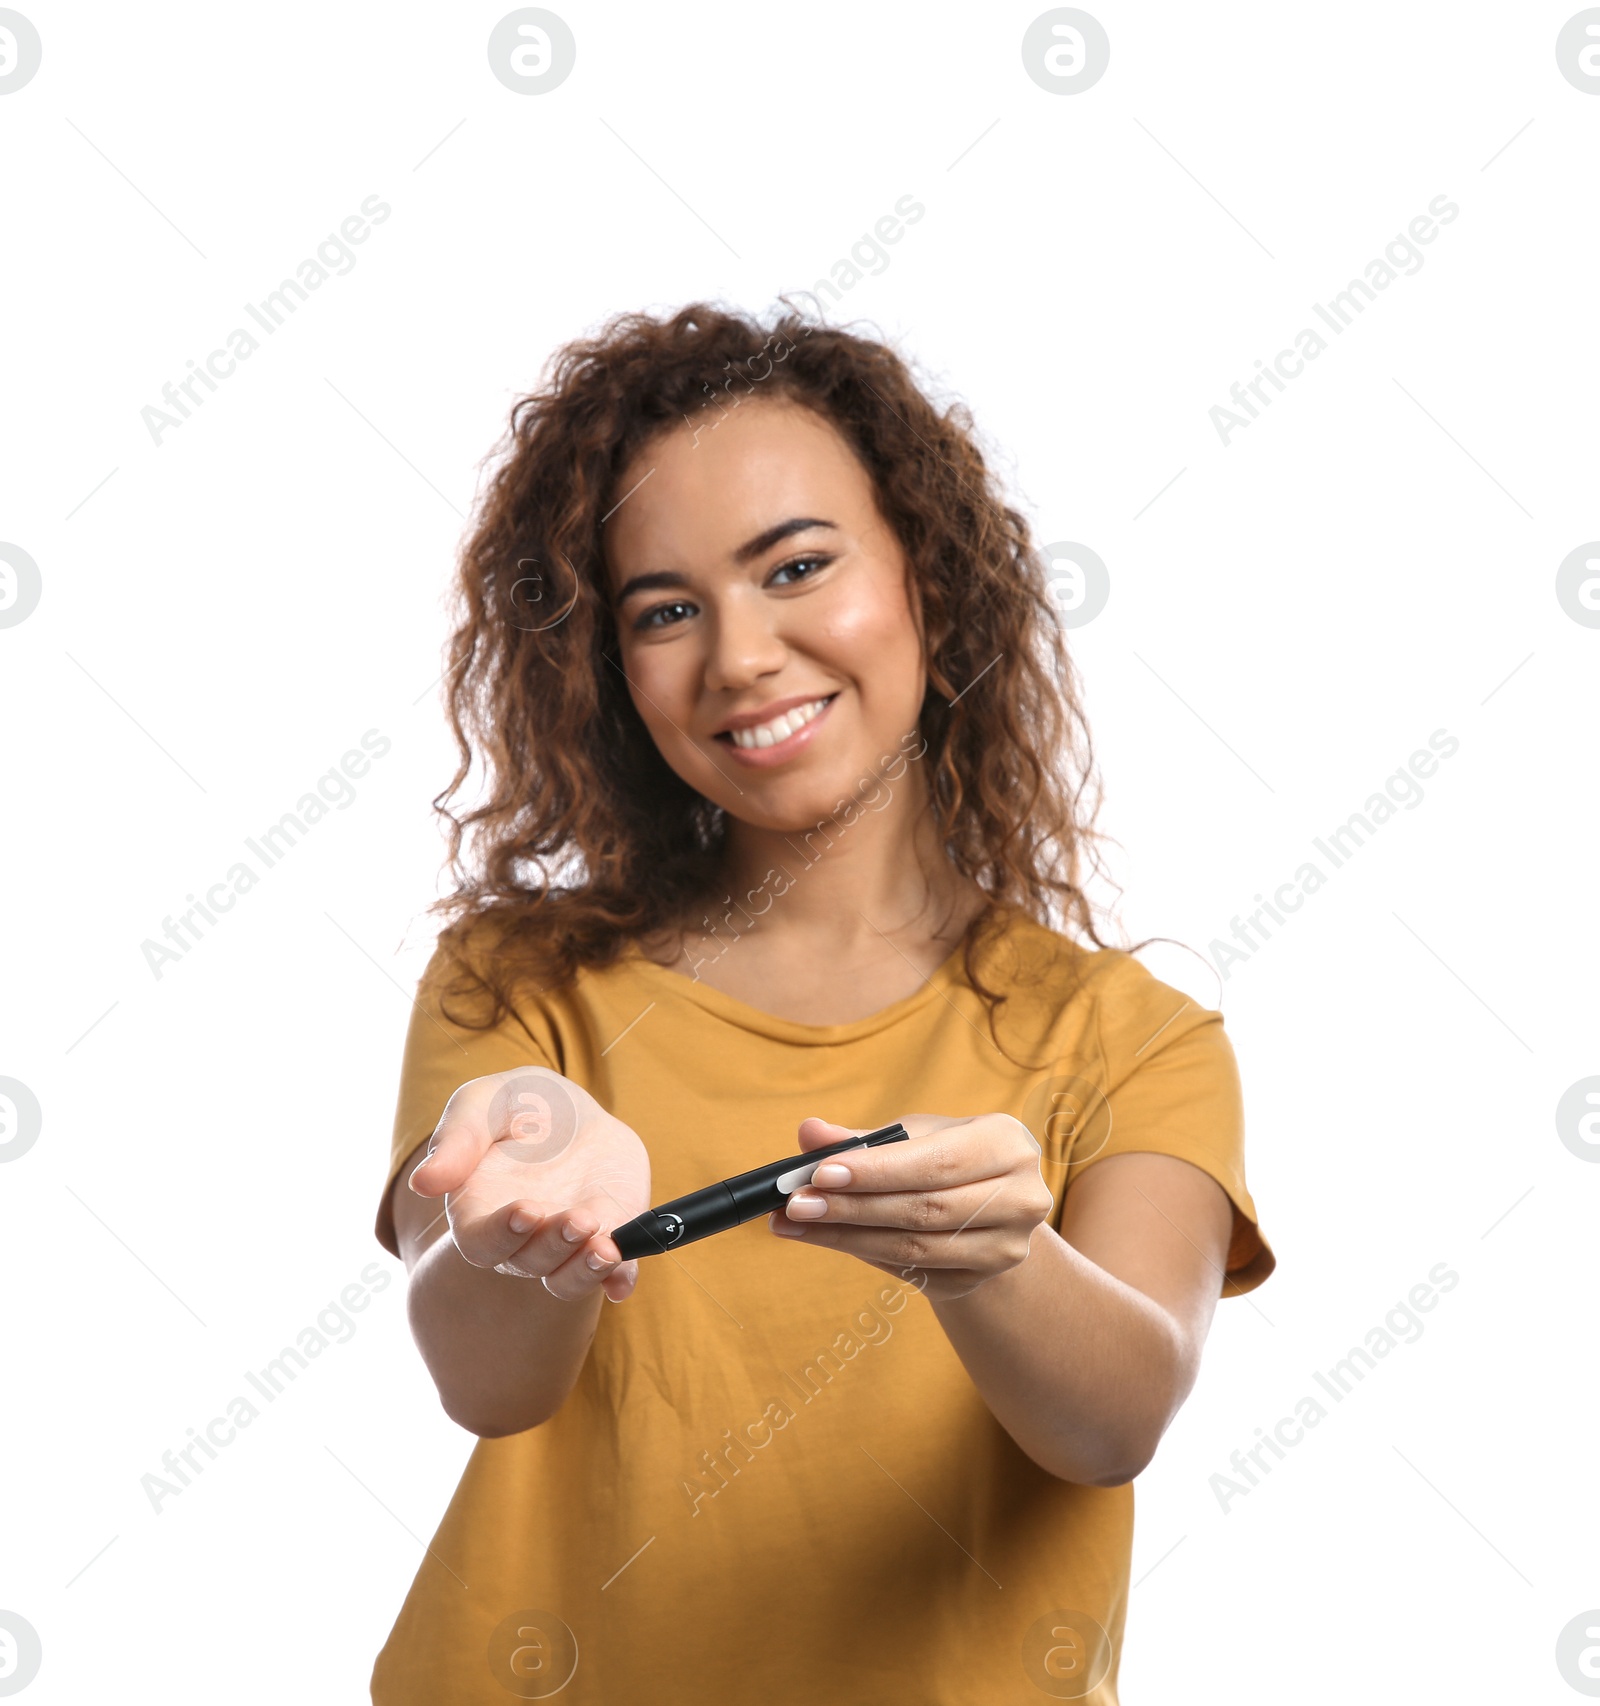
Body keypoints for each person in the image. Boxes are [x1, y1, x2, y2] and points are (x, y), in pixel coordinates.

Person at [370, 300, 1274, 1705]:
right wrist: (529, 1196)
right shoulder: (516, 983)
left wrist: (991, 1258)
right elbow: (486, 1383)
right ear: (612, 667)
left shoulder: (1130, 1038)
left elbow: (1119, 1415)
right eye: (664, 609)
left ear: (929, 576)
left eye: (795, 565)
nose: (737, 656)